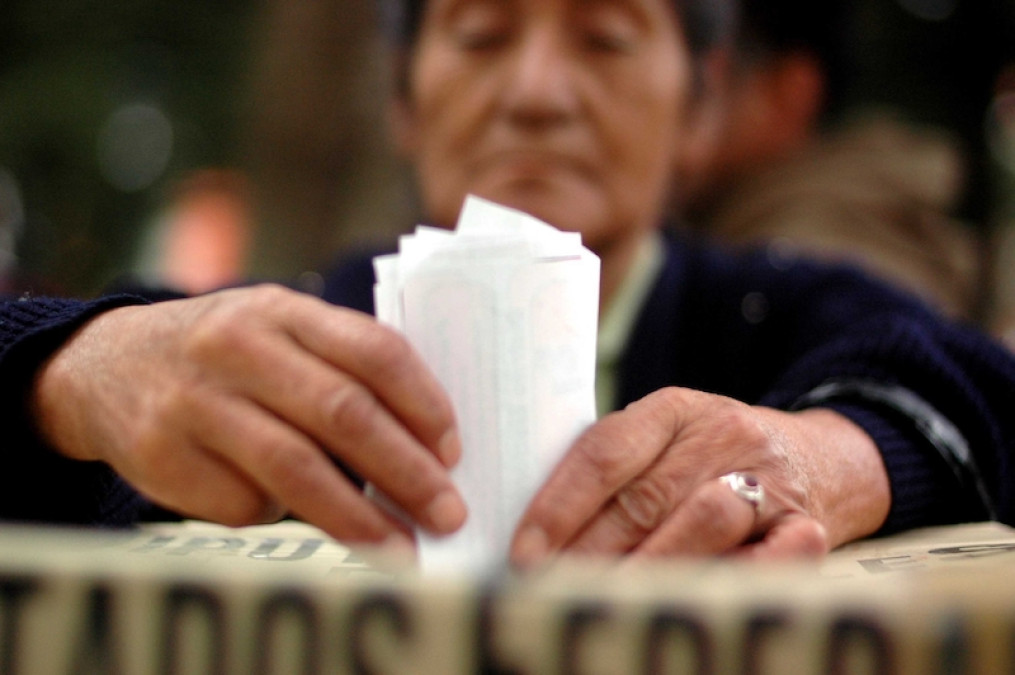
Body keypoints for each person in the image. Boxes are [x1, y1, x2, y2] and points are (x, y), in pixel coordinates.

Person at [2, 0, 1014, 565]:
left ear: (699, 109)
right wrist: (80, 373)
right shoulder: (304, 322)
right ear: (403, 102)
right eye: (481, 36)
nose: (535, 94)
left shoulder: (783, 314)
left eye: (606, 37)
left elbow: (967, 386)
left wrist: (824, 454)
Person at [678, 0, 986, 321]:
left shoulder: (805, 260)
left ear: (789, 94)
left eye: (703, 75)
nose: (678, 92)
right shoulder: (849, 215)